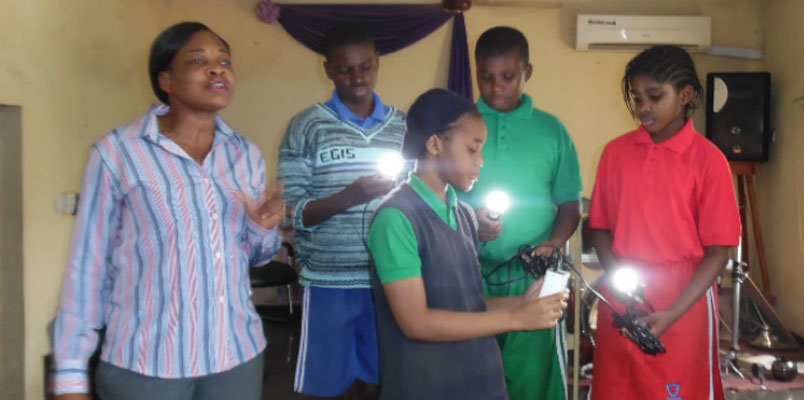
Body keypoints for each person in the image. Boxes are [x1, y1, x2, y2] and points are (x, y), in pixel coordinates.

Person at [52, 22, 283, 400]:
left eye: (224, 61)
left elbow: (256, 257)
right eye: (198, 60)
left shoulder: (246, 155)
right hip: (148, 364)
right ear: (166, 79)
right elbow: (88, 268)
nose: (217, 68)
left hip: (235, 356)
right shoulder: (117, 153)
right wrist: (70, 377)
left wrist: (262, 229)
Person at [368, 88, 569, 400]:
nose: (481, 161)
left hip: (479, 380)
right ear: (435, 143)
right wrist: (515, 318)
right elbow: (416, 321)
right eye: (472, 150)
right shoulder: (396, 218)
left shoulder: (462, 213)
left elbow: (467, 305)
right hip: (427, 384)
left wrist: (523, 303)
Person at [588, 45, 741, 399]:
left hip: (683, 298)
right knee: (617, 389)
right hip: (622, 292)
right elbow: (600, 229)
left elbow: (719, 251)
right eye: (637, 97)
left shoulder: (709, 161)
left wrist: (672, 313)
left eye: (654, 97)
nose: (643, 108)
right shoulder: (616, 153)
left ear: (685, 95)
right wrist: (619, 286)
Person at [277, 22, 405, 399]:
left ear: (378, 61)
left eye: (365, 66)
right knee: (326, 386)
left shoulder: (402, 126)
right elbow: (288, 211)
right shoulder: (306, 126)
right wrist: (348, 197)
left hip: (389, 278)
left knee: (383, 381)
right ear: (327, 68)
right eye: (345, 69)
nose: (357, 77)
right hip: (328, 281)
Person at [459, 26, 583, 400]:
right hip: (468, 275)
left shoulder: (551, 131)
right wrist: (469, 222)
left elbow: (569, 204)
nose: (496, 87)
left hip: (533, 277)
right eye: (486, 77)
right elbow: (437, 198)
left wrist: (552, 243)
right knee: (469, 378)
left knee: (533, 383)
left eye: (508, 77)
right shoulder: (459, 126)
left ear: (527, 71)